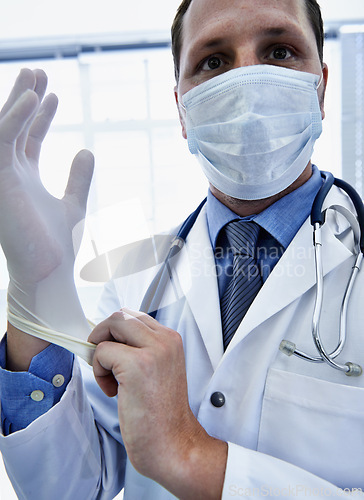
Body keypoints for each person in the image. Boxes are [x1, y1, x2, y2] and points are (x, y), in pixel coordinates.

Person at [0, 0, 363, 498]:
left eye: (279, 51)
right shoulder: (133, 279)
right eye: (213, 62)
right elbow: (74, 488)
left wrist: (192, 456)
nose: (246, 88)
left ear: (321, 88)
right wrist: (35, 292)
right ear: (182, 111)